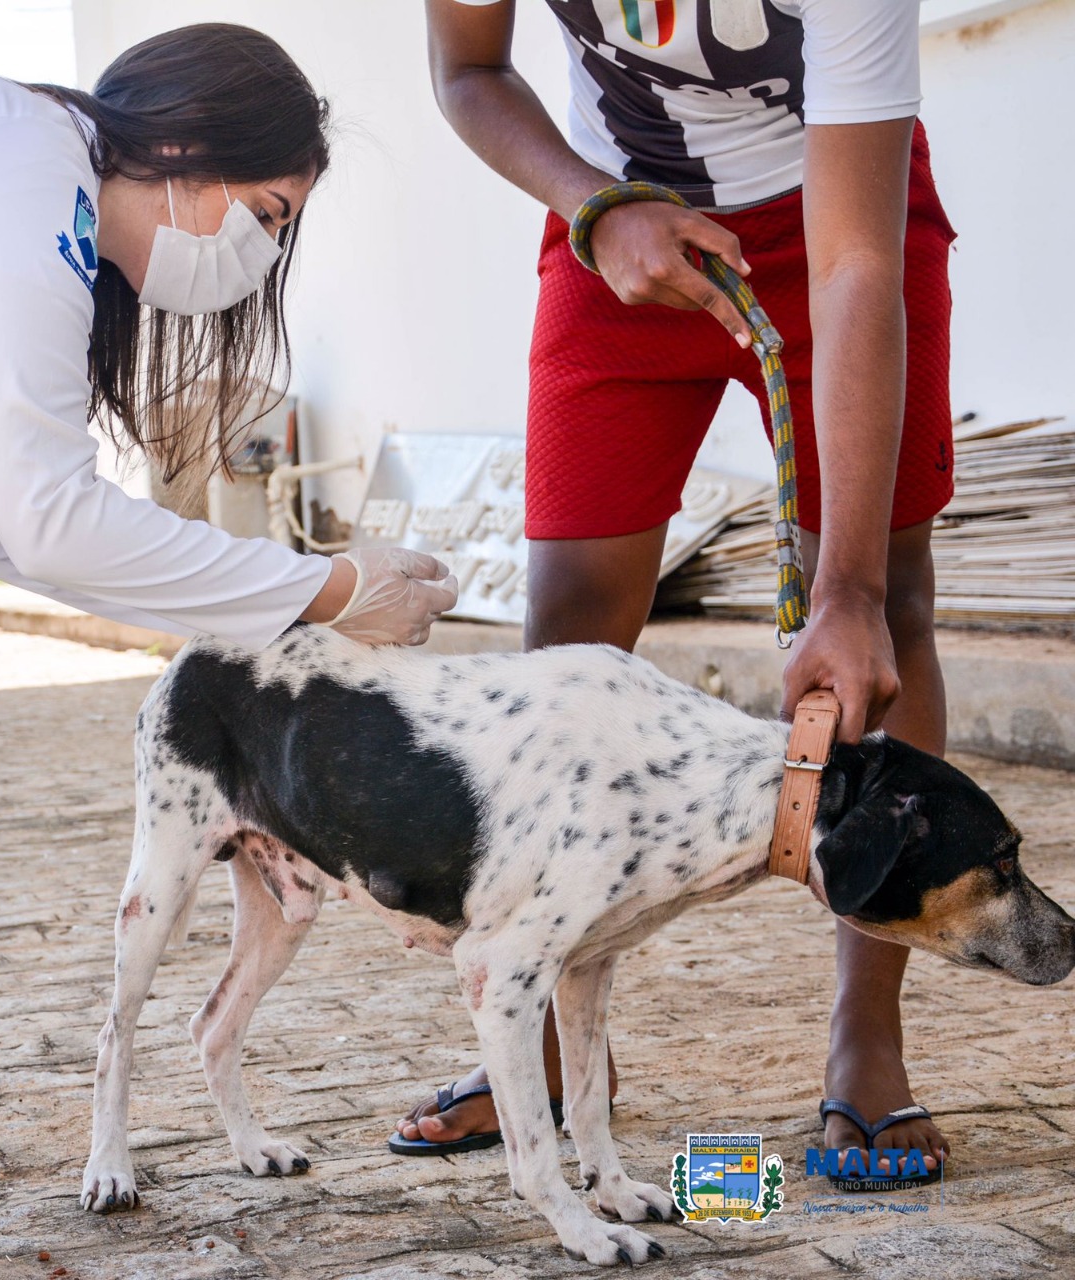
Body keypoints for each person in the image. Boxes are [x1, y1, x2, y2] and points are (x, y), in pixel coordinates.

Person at [0, 26, 456, 1279]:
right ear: (188, 156)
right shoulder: (23, 167)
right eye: (267, 213)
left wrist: (302, 607)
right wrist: (325, 587)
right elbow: (50, 517)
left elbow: (9, 525)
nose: (260, 252)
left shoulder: (29, 205)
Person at [395, 0, 954, 1181]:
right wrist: (592, 205)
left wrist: (838, 584)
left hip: (833, 227)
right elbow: (467, 70)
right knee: (564, 642)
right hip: (610, 222)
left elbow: (857, 259)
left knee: (884, 608)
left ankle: (867, 1034)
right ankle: (541, 1042)